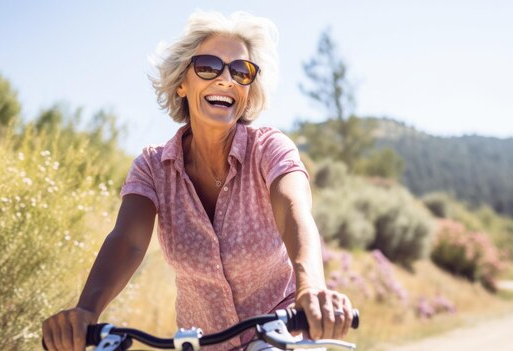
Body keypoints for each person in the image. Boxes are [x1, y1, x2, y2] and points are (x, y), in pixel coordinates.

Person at [42, 10, 353, 351]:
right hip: (201, 343)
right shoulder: (152, 167)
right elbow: (128, 241)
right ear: (181, 83)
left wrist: (311, 289)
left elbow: (295, 213)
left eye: (241, 71)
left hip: (282, 333)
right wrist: (86, 309)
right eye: (208, 66)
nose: (227, 79)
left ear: (248, 91)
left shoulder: (269, 149)